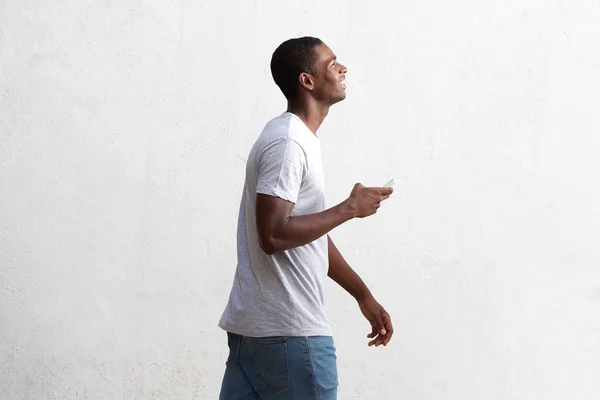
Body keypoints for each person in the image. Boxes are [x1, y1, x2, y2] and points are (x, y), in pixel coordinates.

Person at [218, 36, 394, 400]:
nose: (343, 67)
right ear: (307, 81)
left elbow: (306, 232)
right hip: (292, 337)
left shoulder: (296, 139)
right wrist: (349, 208)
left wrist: (363, 295)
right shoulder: (289, 142)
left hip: (256, 335)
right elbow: (274, 235)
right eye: (332, 63)